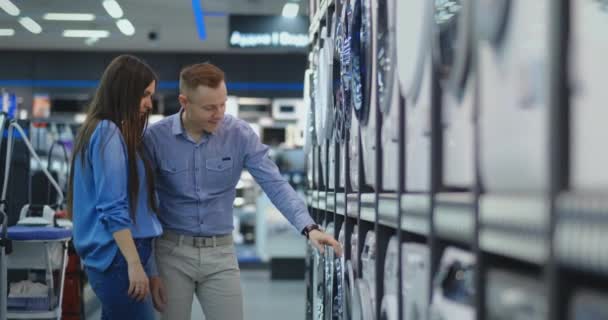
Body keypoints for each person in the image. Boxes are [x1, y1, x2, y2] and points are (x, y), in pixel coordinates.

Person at [143, 62, 342, 320]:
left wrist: (309, 228)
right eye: (209, 107)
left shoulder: (239, 135)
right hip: (171, 254)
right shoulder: (156, 139)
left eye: (223, 104)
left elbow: (275, 184)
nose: (219, 113)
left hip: (220, 254)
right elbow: (142, 204)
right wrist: (150, 268)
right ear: (184, 101)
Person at [67, 54, 162, 319]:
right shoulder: (108, 133)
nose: (149, 104)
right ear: (125, 89)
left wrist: (148, 268)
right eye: (144, 94)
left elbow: (140, 210)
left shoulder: (100, 131)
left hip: (118, 256)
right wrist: (134, 264)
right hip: (118, 258)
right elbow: (113, 206)